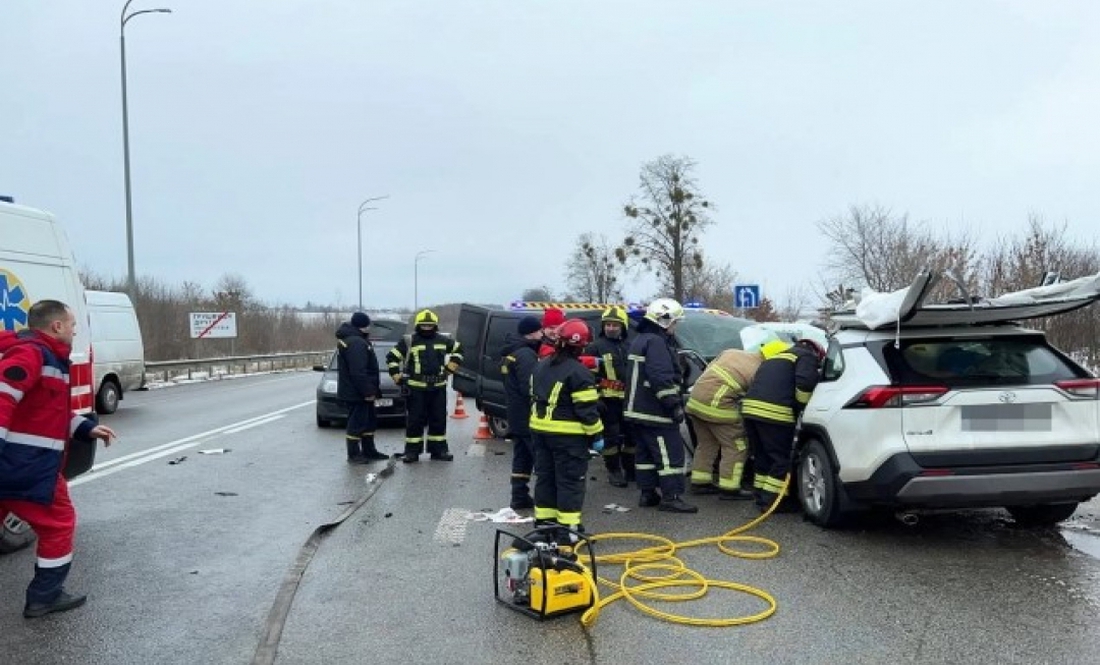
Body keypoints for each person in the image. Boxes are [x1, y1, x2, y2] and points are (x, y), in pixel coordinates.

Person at [0, 300, 117, 618]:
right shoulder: (33, 354)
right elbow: (3, 396)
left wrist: (87, 429)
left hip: (15, 463)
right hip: (28, 466)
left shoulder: (45, 356)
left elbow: (49, 413)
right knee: (58, 524)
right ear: (56, 327)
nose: (75, 330)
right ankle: (45, 596)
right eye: (72, 325)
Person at [529, 319, 603, 538]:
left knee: (546, 479)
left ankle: (544, 526)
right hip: (568, 438)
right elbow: (587, 412)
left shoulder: (541, 365)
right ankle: (568, 532)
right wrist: (596, 436)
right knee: (570, 482)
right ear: (582, 346)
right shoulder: (580, 373)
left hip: (540, 433)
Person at [623, 298, 697, 514]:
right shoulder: (656, 342)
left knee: (645, 454)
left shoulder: (640, 339)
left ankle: (648, 493)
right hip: (655, 411)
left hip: (636, 411)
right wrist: (673, 404)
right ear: (664, 321)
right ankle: (671, 497)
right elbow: (660, 377)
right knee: (669, 454)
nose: (675, 327)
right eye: (674, 322)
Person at [741, 337, 826, 512]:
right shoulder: (806, 357)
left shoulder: (776, 357)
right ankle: (774, 502)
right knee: (781, 459)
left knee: (763, 456)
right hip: (774, 413)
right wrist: (803, 407)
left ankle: (761, 497)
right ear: (816, 352)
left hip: (750, 411)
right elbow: (805, 384)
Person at [684, 346, 765, 500]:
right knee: (736, 445)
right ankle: (730, 488)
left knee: (706, 443)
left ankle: (700, 482)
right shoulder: (761, 369)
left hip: (694, 401)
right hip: (716, 405)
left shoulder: (732, 352)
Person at [386, 309, 463, 463]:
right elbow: (392, 358)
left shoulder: (443, 340)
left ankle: (439, 451)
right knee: (415, 421)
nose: (427, 328)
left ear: (435, 325)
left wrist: (450, 369)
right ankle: (412, 452)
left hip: (438, 387)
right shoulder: (409, 341)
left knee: (438, 419)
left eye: (430, 325)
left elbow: (459, 350)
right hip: (416, 388)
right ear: (418, 325)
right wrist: (397, 377)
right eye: (424, 325)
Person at [586, 305, 634, 488]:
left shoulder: (630, 346)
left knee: (632, 436)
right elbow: (587, 377)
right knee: (611, 438)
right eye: (608, 325)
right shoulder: (595, 347)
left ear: (623, 326)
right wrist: (596, 399)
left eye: (615, 325)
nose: (611, 328)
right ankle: (614, 470)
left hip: (629, 400)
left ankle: (630, 469)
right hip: (608, 401)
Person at [335, 312, 389, 464]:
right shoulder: (356, 343)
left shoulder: (356, 340)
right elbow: (358, 372)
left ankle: (369, 451)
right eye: (368, 325)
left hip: (359, 391)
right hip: (357, 393)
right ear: (363, 326)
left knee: (368, 421)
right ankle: (354, 454)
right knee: (357, 423)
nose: (370, 328)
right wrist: (368, 391)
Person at [500, 316, 542, 510]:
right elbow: (530, 387)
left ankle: (519, 496)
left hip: (516, 415)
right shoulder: (526, 355)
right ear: (532, 332)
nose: (542, 334)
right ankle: (546, 500)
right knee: (540, 459)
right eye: (540, 331)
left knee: (522, 458)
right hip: (527, 416)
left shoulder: (513, 352)